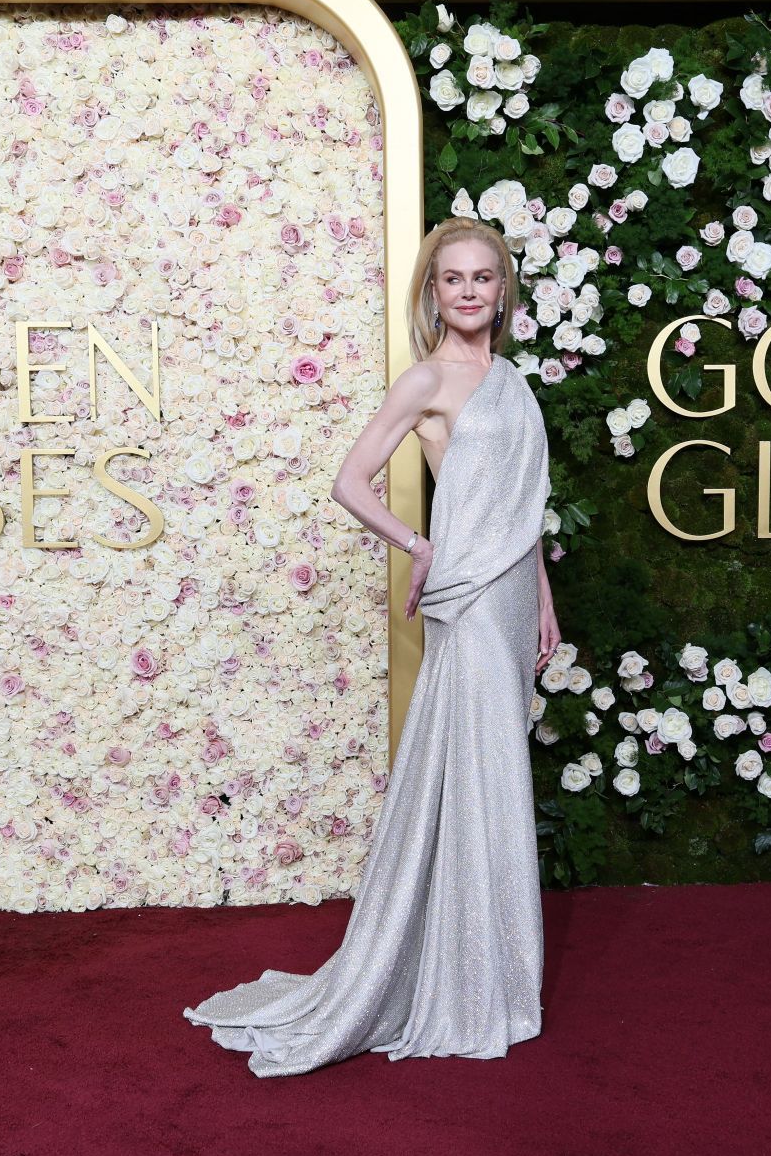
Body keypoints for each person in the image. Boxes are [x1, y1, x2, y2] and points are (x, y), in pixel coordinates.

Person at [181, 217, 558, 1077]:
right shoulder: (425, 380)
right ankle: (451, 976)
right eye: (453, 278)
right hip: (462, 602)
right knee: (470, 770)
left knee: (499, 769)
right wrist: (418, 544)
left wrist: (543, 600)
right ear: (434, 292)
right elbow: (350, 482)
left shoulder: (515, 384)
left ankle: (494, 975)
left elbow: (523, 511)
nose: (469, 291)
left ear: (504, 291)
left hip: (508, 600)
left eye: (484, 278)